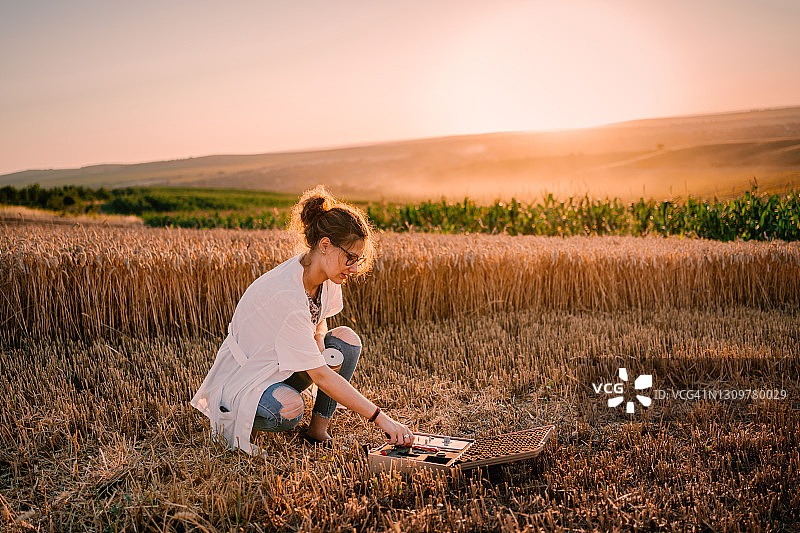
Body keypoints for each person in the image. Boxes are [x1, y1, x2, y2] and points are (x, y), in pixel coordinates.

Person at [190, 186, 413, 455]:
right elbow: (320, 375)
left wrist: (319, 339)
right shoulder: (287, 296)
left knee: (346, 341)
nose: (355, 268)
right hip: (247, 381)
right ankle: (249, 414)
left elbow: (319, 320)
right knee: (290, 408)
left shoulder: (326, 275)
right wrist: (382, 419)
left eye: (359, 260)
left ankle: (317, 432)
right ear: (325, 245)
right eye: (350, 258)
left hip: (280, 366)